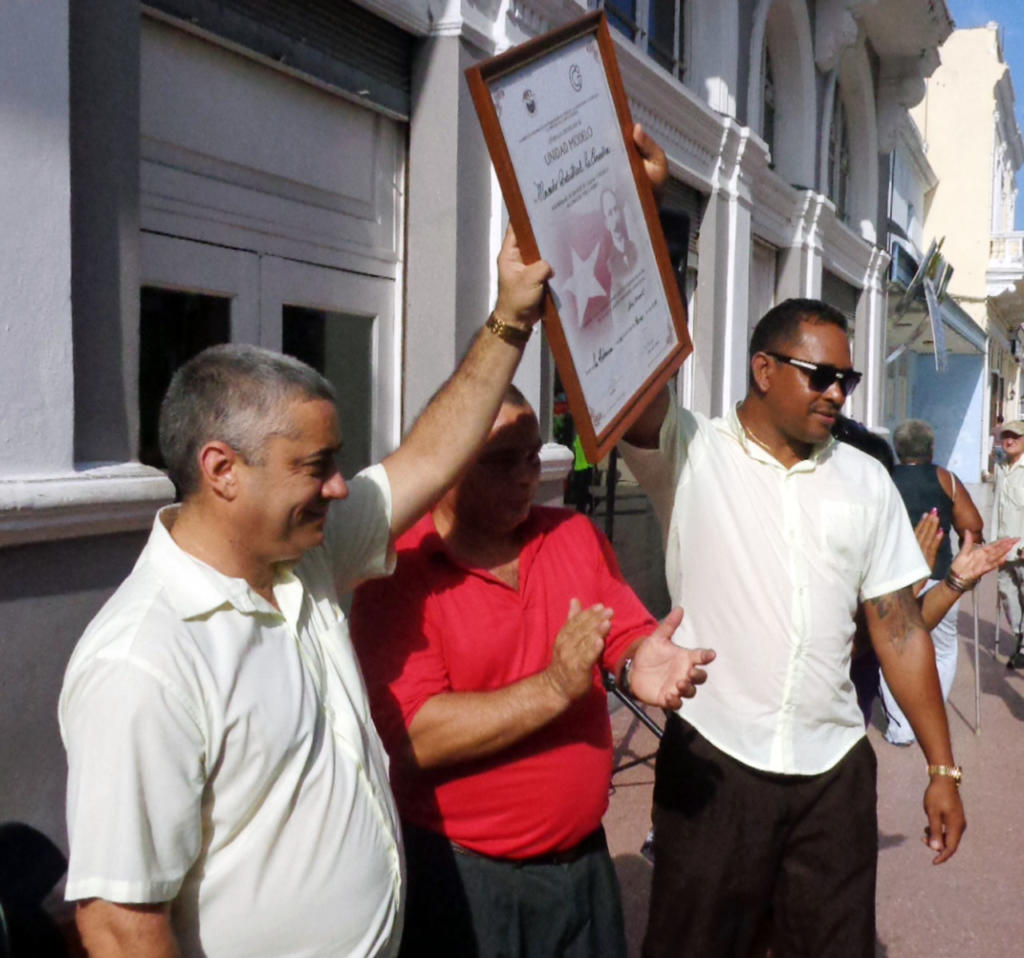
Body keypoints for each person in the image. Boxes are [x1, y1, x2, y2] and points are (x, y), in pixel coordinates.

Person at [58, 226, 553, 958]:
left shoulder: (301, 558)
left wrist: (510, 317)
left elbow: (429, 458)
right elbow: (120, 925)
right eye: (315, 467)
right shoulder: (143, 661)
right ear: (222, 470)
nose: (339, 487)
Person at [620, 298, 966, 958]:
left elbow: (899, 631)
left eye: (847, 380)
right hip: (714, 762)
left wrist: (942, 767)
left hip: (832, 773)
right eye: (821, 376)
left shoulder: (865, 480)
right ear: (764, 369)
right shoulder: (692, 452)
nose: (837, 394)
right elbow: (628, 374)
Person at [349, 387, 714, 958]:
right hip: (465, 881)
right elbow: (415, 736)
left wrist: (636, 659)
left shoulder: (572, 535)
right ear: (446, 464)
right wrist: (552, 688)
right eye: (503, 460)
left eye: (533, 456)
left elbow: (620, 631)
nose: (526, 477)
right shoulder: (400, 569)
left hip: (583, 866)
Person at [879, 419, 984, 744]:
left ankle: (901, 727)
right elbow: (972, 526)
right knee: (942, 649)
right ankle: (929, 714)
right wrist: (969, 561)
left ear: (897, 449)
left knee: (892, 650)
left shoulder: (884, 477)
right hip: (940, 580)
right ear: (931, 448)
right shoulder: (946, 479)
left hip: (893, 580)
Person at [993, 418, 1024, 669]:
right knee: (1007, 594)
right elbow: (996, 508)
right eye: (1006, 436)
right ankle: (1020, 637)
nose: (1010, 441)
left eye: (1015, 436)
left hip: (1022, 546)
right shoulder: (1001, 468)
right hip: (1003, 546)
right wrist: (993, 543)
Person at [601, 187, 638, 281]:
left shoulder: (633, 247)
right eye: (610, 213)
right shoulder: (609, 265)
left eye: (616, 209)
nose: (615, 218)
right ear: (606, 223)